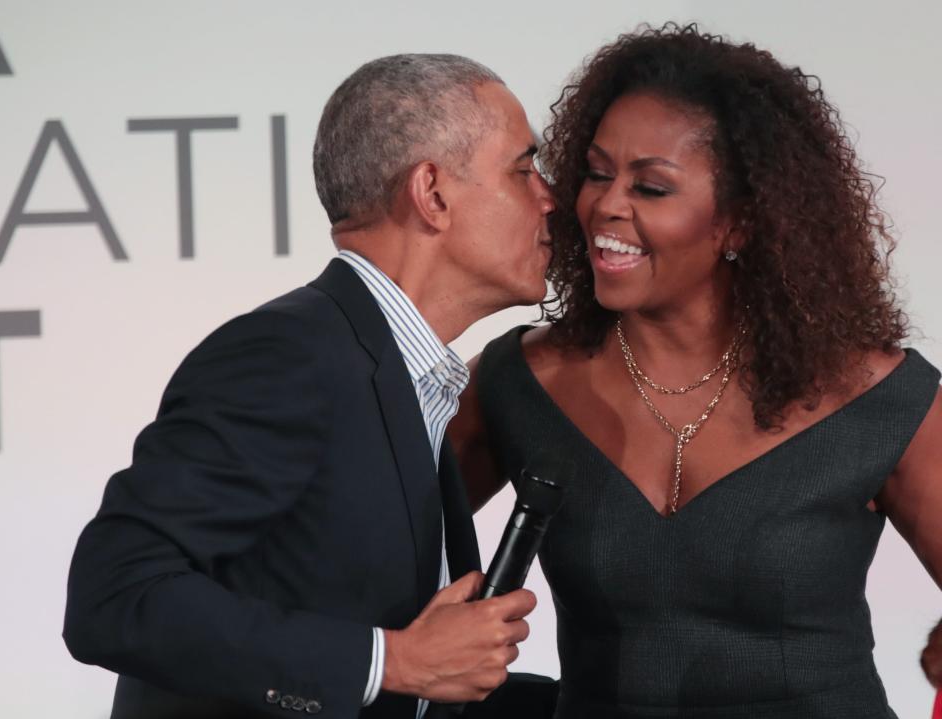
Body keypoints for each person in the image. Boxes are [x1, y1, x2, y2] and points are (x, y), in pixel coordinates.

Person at [449, 24, 942, 718]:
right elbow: (362, 550)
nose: (605, 205)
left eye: (651, 186)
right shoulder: (519, 380)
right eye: (595, 172)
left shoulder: (881, 400)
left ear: (741, 223)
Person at [63, 53, 556, 719]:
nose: (551, 198)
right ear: (433, 193)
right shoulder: (285, 357)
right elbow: (115, 595)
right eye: (523, 170)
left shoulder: (400, 373)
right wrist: (395, 658)